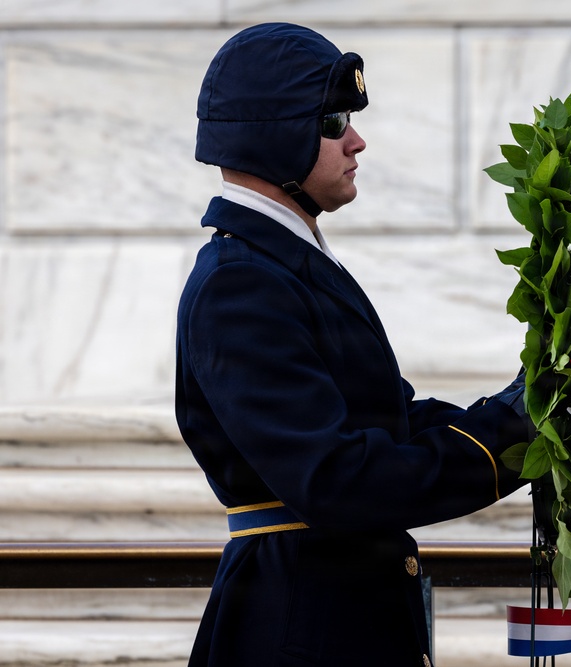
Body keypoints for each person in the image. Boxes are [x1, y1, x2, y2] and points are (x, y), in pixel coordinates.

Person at [175, 23, 532, 666]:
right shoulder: (242, 285)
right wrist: (507, 434)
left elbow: (393, 421)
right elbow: (337, 479)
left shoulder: (281, 264)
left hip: (332, 617)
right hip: (301, 629)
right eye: (335, 121)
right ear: (276, 132)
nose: (357, 140)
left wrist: (524, 419)